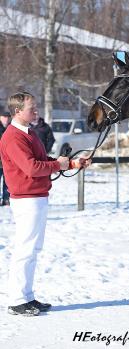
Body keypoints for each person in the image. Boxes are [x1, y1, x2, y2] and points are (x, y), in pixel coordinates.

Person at [0, 92, 91, 316]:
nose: (36, 111)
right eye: (32, 108)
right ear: (17, 111)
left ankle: (27, 297)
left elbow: (44, 161)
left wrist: (72, 163)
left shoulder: (29, 133)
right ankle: (17, 300)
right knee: (25, 249)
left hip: (37, 196)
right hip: (27, 198)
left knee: (32, 249)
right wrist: (60, 166)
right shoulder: (13, 137)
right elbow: (31, 168)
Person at [0, 111, 11, 205]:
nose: (6, 119)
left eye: (8, 117)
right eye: (4, 117)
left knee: (7, 181)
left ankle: (6, 199)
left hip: (8, 160)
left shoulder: (11, 128)